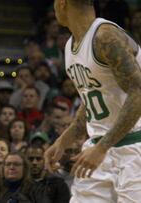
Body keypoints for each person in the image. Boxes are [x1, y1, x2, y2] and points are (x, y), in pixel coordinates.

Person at [45, 0, 141, 202]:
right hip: (99, 148)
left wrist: (102, 148)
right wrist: (64, 140)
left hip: (134, 147)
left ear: (62, 3)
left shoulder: (106, 36)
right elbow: (92, 100)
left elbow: (138, 92)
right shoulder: (71, 46)